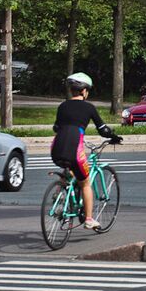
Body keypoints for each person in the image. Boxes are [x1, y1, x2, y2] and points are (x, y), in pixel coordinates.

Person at [51, 72, 121, 230]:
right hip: (75, 150)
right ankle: (89, 219)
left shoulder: (62, 106)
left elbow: (56, 127)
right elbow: (103, 130)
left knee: (69, 168)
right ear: (84, 91)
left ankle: (60, 189)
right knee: (85, 183)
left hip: (56, 148)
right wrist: (114, 137)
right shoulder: (89, 107)